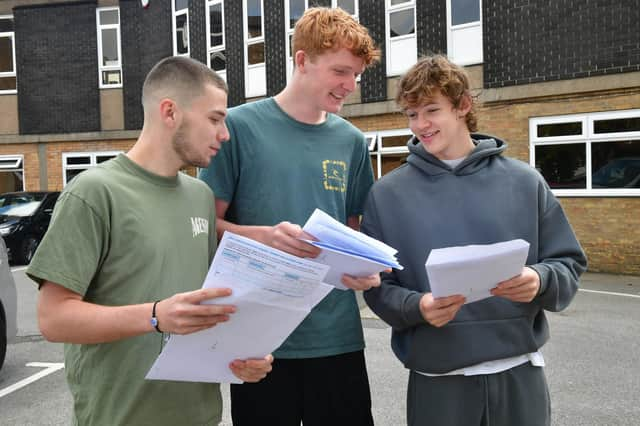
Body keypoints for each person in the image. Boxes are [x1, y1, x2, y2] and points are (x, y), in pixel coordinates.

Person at [26, 56, 273, 426]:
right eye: (215, 119)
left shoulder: (200, 197)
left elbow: (200, 307)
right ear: (170, 112)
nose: (225, 134)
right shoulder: (94, 193)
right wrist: (155, 316)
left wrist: (240, 355)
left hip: (201, 416)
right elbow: (53, 317)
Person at [361, 55, 588, 426]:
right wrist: (417, 306)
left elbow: (568, 264)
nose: (420, 125)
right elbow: (378, 286)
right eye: (411, 114)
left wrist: (539, 280)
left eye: (431, 110)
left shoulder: (525, 181)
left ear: (463, 105)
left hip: (519, 376)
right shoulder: (386, 195)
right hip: (438, 384)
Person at [199, 7, 381, 426]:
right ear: (302, 60)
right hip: (260, 341)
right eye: (340, 71)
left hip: (337, 340)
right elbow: (201, 229)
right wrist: (262, 236)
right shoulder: (238, 128)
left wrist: (364, 271)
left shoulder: (351, 141)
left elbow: (353, 234)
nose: (349, 86)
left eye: (356, 75)